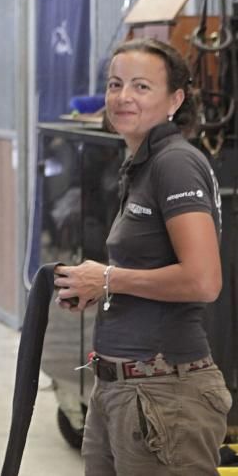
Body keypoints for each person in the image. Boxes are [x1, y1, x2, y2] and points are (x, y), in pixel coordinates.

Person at [55, 38, 230, 475]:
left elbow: (204, 280)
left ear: (175, 99)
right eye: (115, 85)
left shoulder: (175, 164)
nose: (122, 97)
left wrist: (110, 279)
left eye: (141, 87)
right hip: (119, 388)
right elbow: (148, 269)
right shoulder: (140, 164)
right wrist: (100, 289)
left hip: (165, 394)